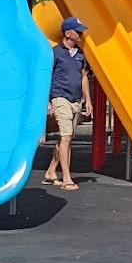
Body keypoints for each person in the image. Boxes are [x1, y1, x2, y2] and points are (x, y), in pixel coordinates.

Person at [44, 17, 89, 190]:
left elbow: (83, 76)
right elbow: (46, 76)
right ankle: (67, 178)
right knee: (66, 137)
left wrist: (88, 100)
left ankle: (50, 172)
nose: (81, 34)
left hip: (75, 99)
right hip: (59, 97)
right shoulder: (55, 53)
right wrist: (48, 101)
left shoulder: (80, 55)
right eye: (77, 31)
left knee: (66, 138)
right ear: (67, 33)